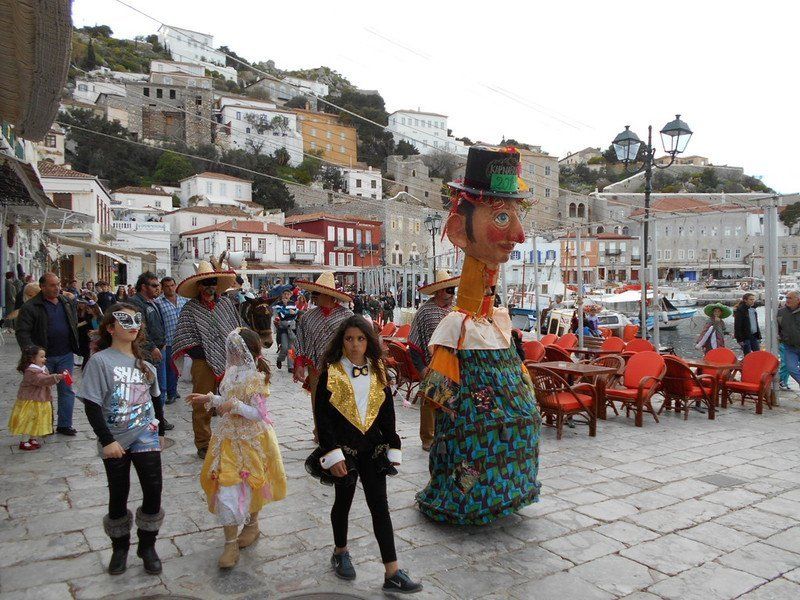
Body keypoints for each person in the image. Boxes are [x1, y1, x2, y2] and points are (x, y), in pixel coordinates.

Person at [415, 145, 542, 525]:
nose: (519, 235)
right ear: (459, 230)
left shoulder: (496, 321)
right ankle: (466, 495)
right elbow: (436, 394)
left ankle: (506, 491)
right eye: (502, 217)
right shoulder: (457, 327)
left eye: (515, 218)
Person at [311, 316, 422, 594]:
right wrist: (332, 453)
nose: (355, 345)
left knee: (380, 506)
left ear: (368, 341)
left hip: (372, 449)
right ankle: (340, 551)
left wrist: (392, 443)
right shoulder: (331, 373)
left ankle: (392, 572)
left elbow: (387, 413)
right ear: (341, 341)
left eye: (360, 339)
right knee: (343, 502)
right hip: (344, 450)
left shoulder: (379, 371)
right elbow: (323, 417)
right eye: (349, 339)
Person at [187, 328, 287, 569]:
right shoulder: (231, 373)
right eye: (229, 348)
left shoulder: (256, 378)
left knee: (252, 482)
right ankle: (230, 543)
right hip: (227, 438)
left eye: (234, 348)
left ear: (246, 350)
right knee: (227, 486)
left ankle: (252, 524)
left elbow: (259, 414)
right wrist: (210, 399)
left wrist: (236, 406)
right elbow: (227, 400)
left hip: (252, 439)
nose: (230, 353)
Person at [78, 304, 165, 576]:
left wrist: (160, 431)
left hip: (145, 434)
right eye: (125, 320)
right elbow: (92, 405)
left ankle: (147, 546)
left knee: (153, 489)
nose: (133, 325)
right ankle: (120, 547)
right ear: (110, 327)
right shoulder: (100, 361)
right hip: (115, 437)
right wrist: (106, 440)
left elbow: (155, 399)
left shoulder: (145, 363)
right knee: (118, 493)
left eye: (136, 320)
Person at [173, 261, 242, 459]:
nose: (209, 287)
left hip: (229, 361)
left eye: (212, 282)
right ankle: (203, 443)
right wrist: (205, 351)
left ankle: (233, 437)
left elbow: (236, 329)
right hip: (202, 362)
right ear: (198, 286)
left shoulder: (226, 304)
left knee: (232, 400)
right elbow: (184, 336)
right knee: (202, 404)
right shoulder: (190, 309)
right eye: (205, 283)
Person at [15, 273, 80, 436]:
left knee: (67, 390)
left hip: (65, 354)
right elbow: (22, 332)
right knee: (42, 392)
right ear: (42, 287)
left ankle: (65, 424)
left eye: (58, 284)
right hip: (43, 358)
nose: (57, 288)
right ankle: (44, 426)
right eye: (52, 285)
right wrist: (32, 354)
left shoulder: (65, 302)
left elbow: (73, 323)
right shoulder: (31, 306)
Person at [407, 269, 459, 451]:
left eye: (453, 290)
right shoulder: (424, 312)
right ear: (439, 291)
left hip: (454, 364)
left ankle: (447, 436)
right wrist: (421, 368)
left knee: (452, 402)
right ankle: (428, 439)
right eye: (449, 290)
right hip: (432, 364)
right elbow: (414, 342)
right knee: (429, 401)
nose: (452, 294)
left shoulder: (456, 311)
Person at [293, 272, 354, 422]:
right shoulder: (308, 317)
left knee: (340, 403)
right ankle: (319, 431)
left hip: (341, 367)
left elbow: (354, 341)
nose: (313, 297)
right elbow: (300, 340)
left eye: (316, 293)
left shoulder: (347, 316)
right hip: (316, 368)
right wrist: (299, 364)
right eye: (313, 293)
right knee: (318, 403)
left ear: (328, 295)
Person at [128, 272, 172, 433]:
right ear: (143, 287)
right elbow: (139, 330)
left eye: (157, 285)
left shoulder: (153, 302)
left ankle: (159, 417)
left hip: (159, 349)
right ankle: (152, 419)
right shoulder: (135, 303)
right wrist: (152, 347)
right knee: (151, 387)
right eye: (154, 285)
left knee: (161, 387)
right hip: (147, 353)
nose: (157, 288)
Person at [8, 345, 61, 450]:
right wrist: (56, 377)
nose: (44, 359)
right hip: (30, 401)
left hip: (40, 399)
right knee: (28, 420)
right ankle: (24, 441)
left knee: (37, 419)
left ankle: (33, 438)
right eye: (41, 357)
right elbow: (41, 380)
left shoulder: (43, 368)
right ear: (32, 359)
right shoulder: (31, 371)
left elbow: (45, 379)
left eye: (44, 356)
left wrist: (54, 378)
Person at [155, 277, 187, 405]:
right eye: (167, 286)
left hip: (182, 340)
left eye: (172, 285)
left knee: (178, 367)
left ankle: (174, 389)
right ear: (162, 288)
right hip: (167, 341)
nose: (170, 288)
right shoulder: (158, 303)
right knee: (170, 368)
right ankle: (171, 393)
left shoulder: (183, 300)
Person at [272, 287, 298, 371]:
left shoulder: (293, 303)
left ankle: (291, 366)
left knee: (291, 348)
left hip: (291, 328)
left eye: (288, 294)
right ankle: (280, 359)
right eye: (285, 294)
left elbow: (295, 314)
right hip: (283, 328)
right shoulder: (279, 304)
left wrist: (290, 313)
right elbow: (281, 315)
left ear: (290, 295)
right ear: (282, 295)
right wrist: (288, 311)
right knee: (284, 347)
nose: (286, 296)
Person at [777, 291, 800, 388]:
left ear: (798, 299)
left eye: (790, 298)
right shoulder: (781, 312)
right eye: (786, 298)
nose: (787, 300)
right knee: (791, 369)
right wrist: (782, 337)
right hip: (789, 347)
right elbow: (778, 328)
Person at [77, 293, 103, 369]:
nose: (87, 310)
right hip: (93, 339)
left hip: (100, 340)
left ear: (93, 309)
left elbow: (103, 330)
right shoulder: (91, 318)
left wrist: (94, 332)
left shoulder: (100, 317)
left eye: (88, 309)